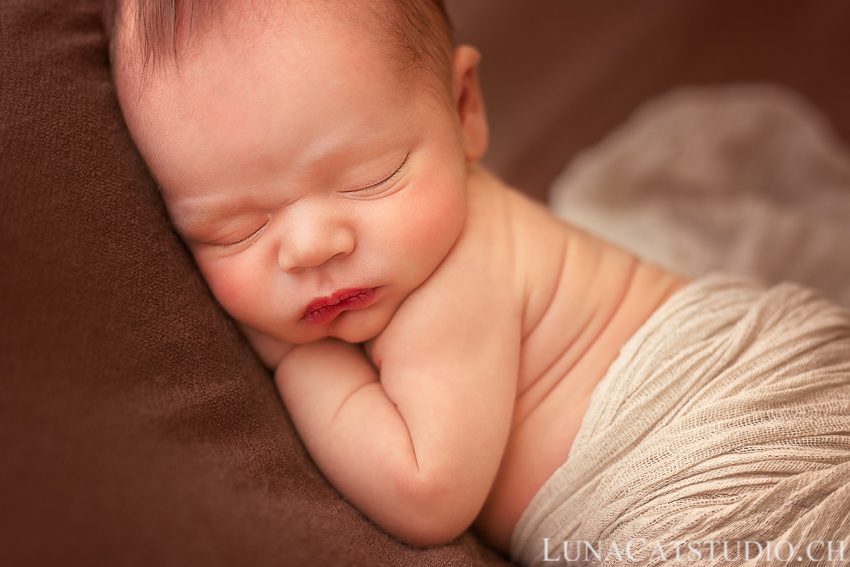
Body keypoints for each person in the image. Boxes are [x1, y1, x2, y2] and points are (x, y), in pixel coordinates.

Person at [105, 1, 850, 565]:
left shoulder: (454, 275)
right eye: (233, 228)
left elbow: (426, 490)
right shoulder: (404, 245)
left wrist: (295, 359)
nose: (310, 247)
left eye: (372, 177)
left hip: (716, 439)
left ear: (465, 109)